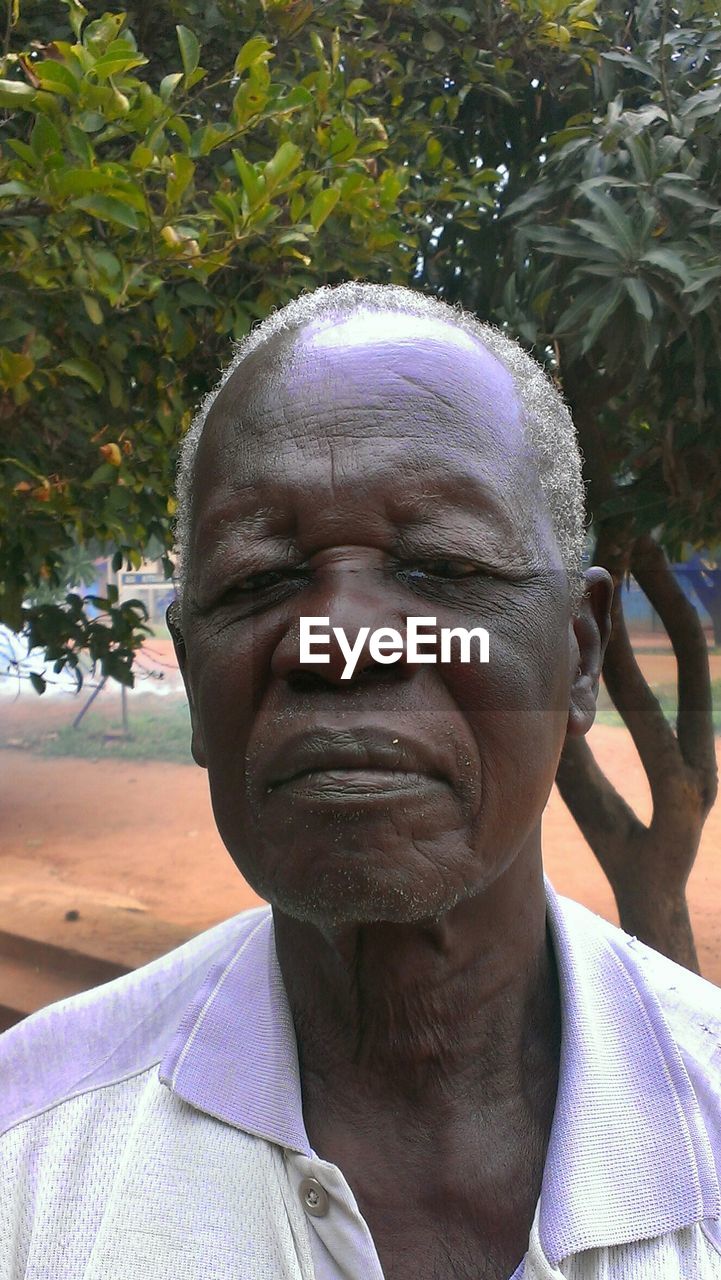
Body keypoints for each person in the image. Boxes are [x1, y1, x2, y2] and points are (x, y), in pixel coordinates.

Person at [1, 282, 720, 1280]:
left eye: (441, 565)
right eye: (256, 579)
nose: (340, 640)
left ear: (580, 649)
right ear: (200, 680)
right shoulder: (27, 1158)